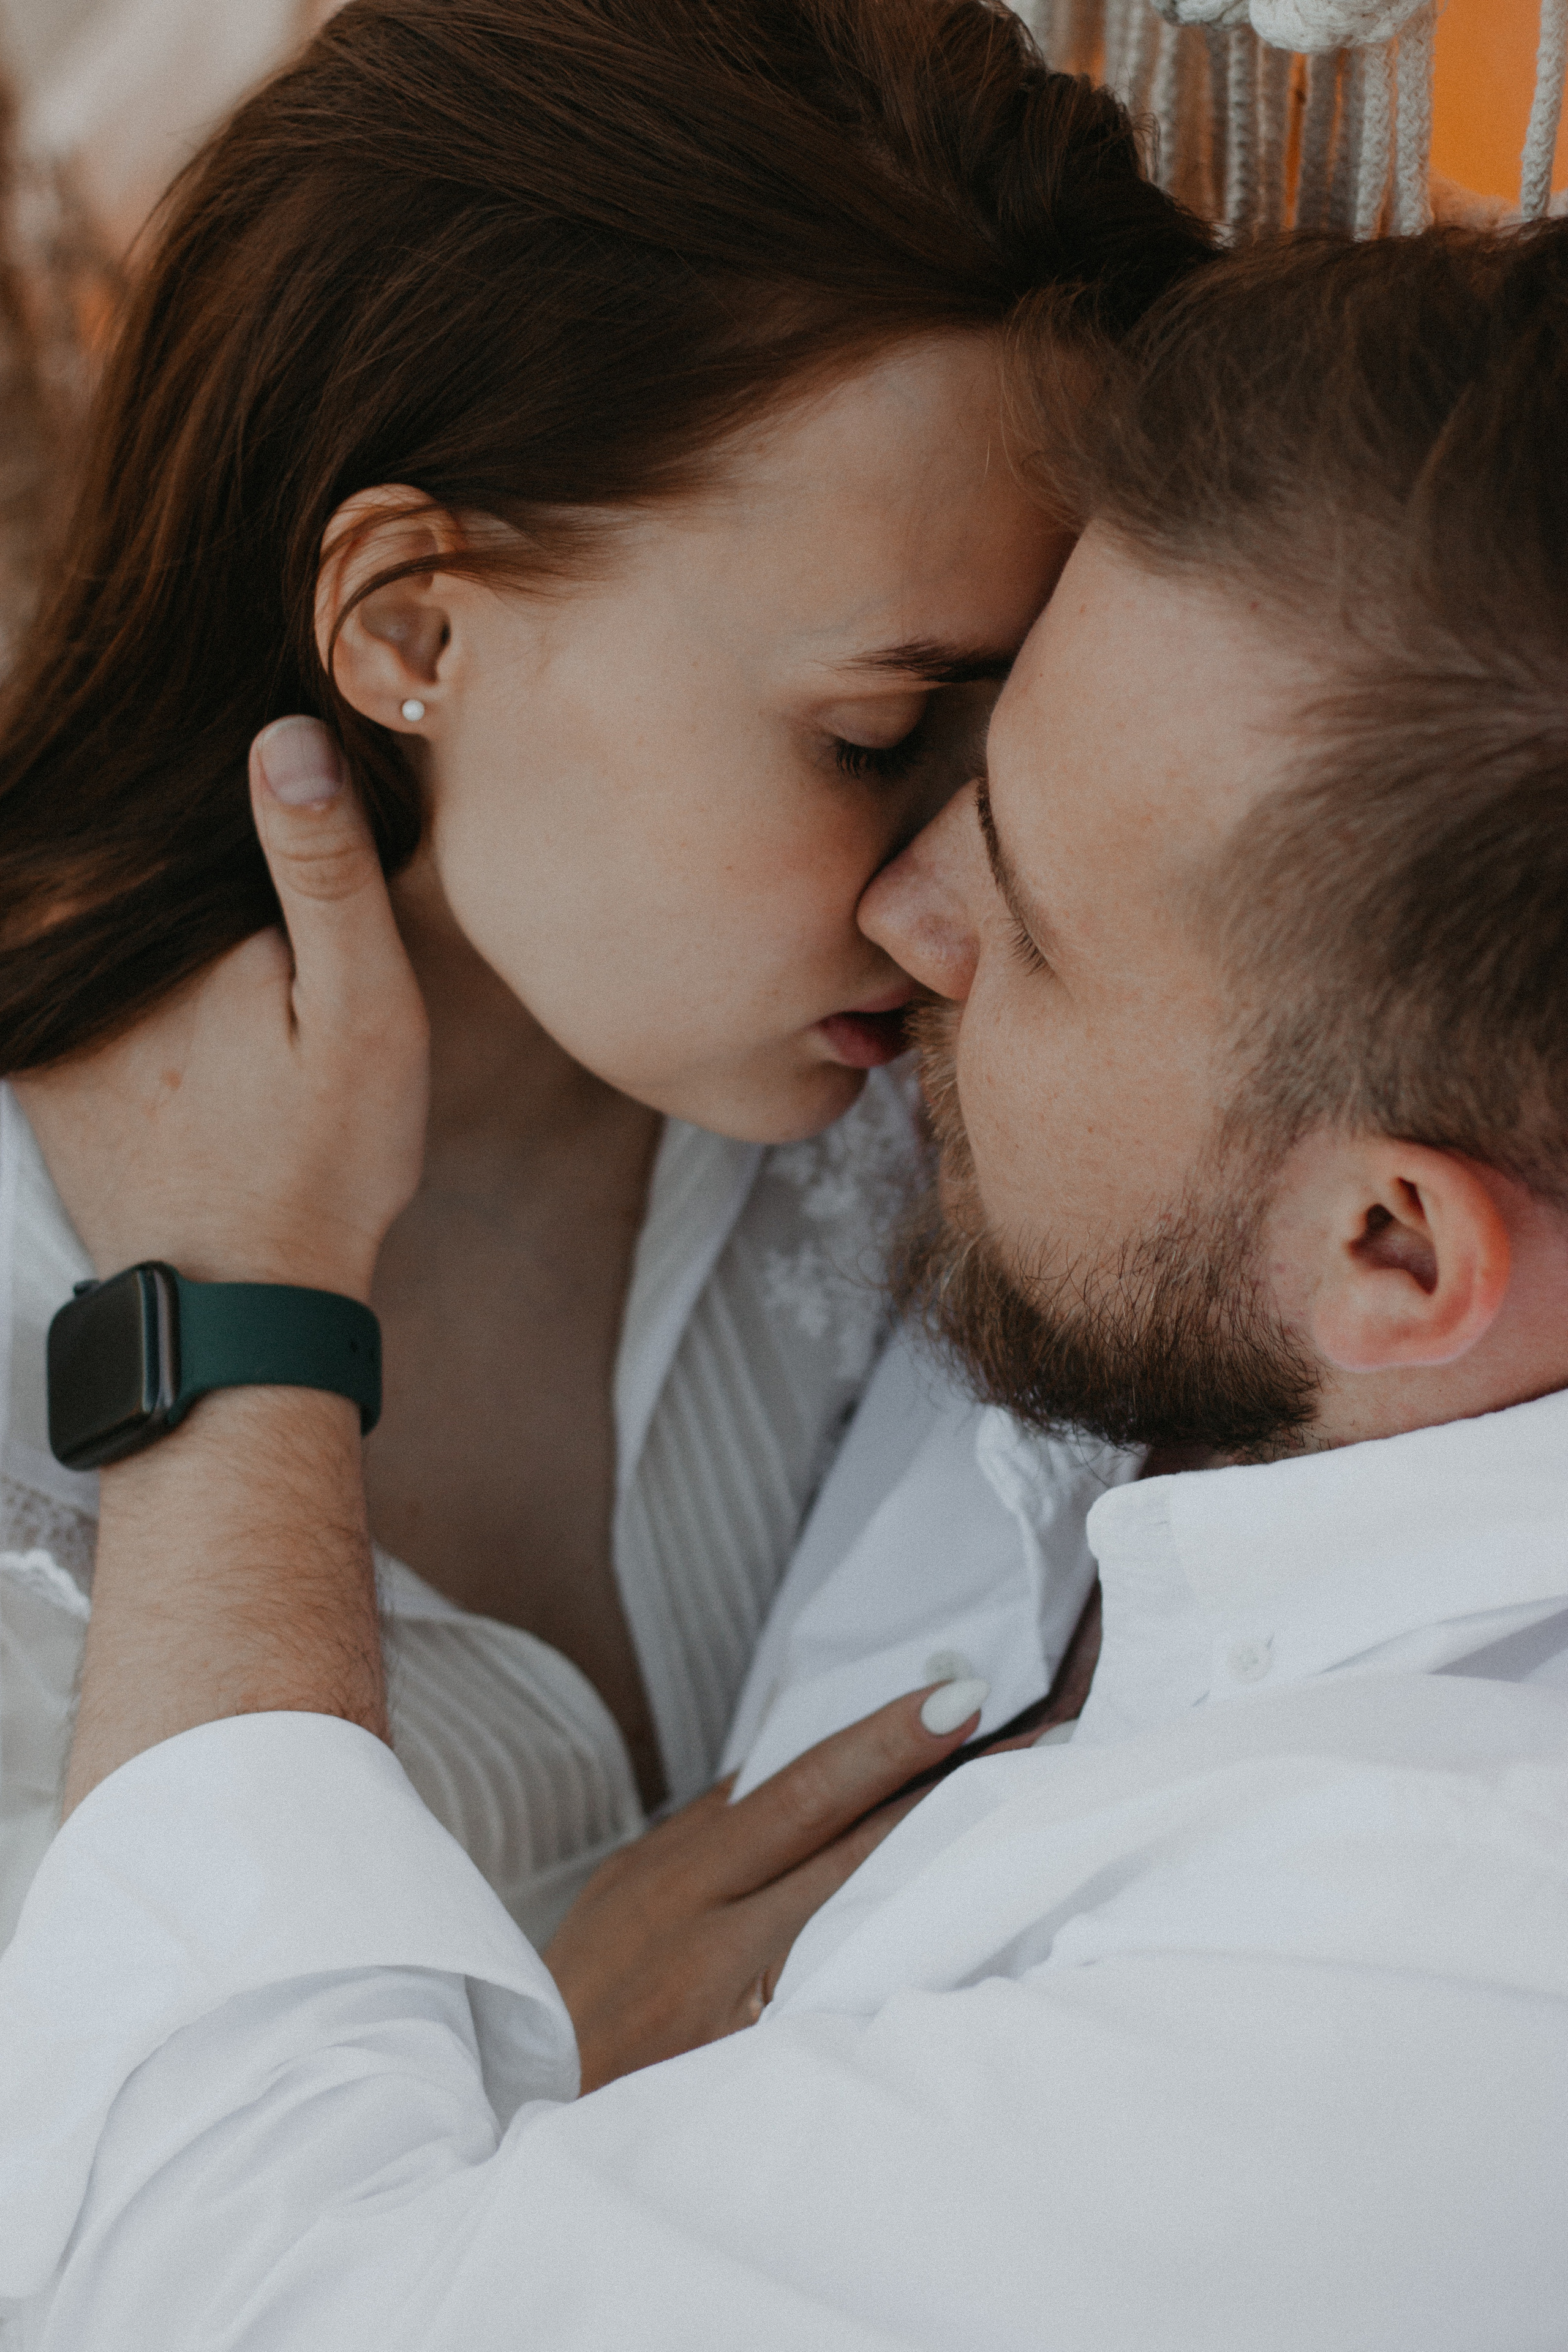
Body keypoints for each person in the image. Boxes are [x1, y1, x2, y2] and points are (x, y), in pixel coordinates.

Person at [6, 219, 1567, 2347]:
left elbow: (226, 2305)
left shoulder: (1410, 1979)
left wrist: (232, 1340)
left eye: (1027, 918)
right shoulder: (1151, 1263)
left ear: (1392, 1252)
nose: (909, 910)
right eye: (883, 738)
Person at [0, 0, 1211, 1947]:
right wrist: (559, 2053)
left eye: (1017, 750)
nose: (951, 906)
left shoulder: (963, 1131)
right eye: (868, 736)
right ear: (410, 629)